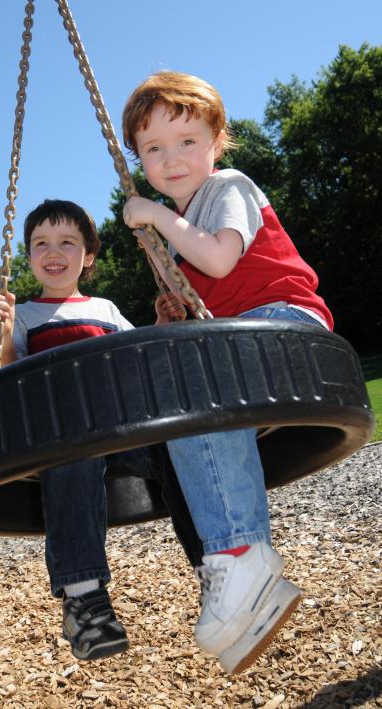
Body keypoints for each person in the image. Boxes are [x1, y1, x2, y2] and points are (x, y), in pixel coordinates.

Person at [121, 71, 334, 674]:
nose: (172, 159)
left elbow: (219, 255)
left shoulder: (227, 187)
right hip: (241, 342)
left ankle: (241, 554)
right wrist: (172, 304)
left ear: (218, 142)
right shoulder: (176, 221)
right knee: (179, 386)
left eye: (187, 141)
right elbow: (203, 295)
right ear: (139, 157)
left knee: (196, 372)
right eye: (153, 149)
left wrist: (156, 218)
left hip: (287, 326)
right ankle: (234, 562)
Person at [0, 198, 196, 662]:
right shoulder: (23, 316)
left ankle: (213, 567)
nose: (53, 251)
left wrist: (161, 323)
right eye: (41, 243)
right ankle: (84, 601)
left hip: (119, 431)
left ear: (90, 255)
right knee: (72, 451)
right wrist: (1, 333)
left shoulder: (104, 307)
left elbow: (135, 355)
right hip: (62, 437)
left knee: (179, 447)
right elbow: (8, 378)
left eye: (67, 241)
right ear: (28, 255)